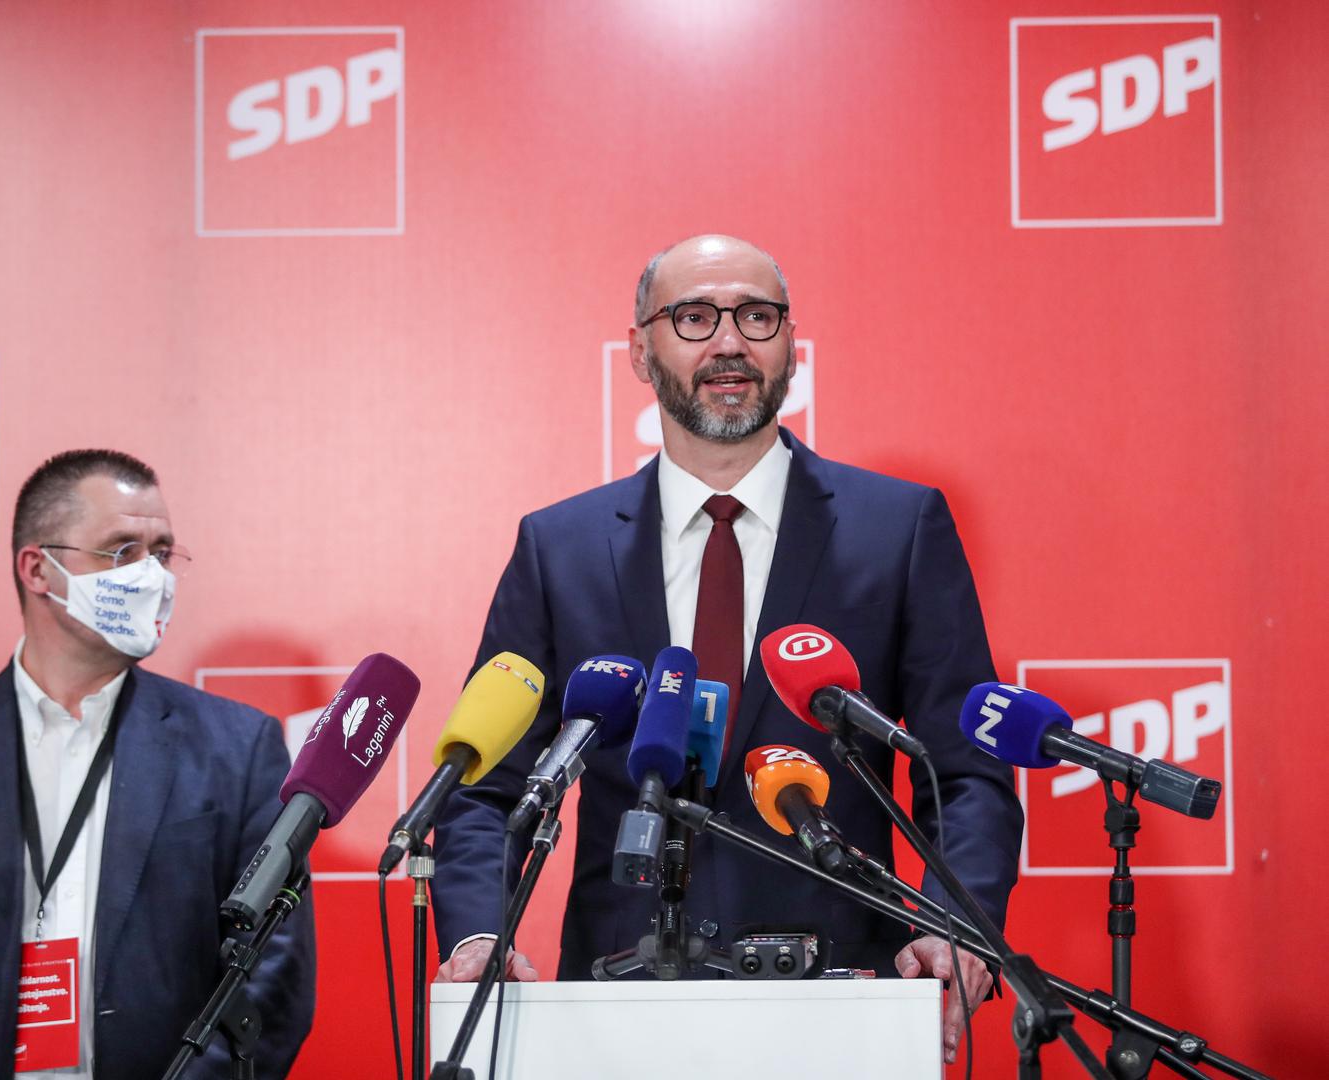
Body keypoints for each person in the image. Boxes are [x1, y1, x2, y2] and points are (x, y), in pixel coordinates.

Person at [429, 235, 1023, 1064]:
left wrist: (956, 927)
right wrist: (475, 935)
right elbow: (484, 788)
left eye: (756, 316)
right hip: (615, 1007)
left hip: (846, 1000)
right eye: (693, 317)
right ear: (639, 350)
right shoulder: (558, 548)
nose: (729, 342)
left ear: (790, 344)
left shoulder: (898, 529)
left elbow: (962, 774)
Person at [0, 449, 315, 1079]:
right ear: (38, 569)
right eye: (122, 550)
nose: (151, 576)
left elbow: (271, 975)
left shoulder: (238, 748)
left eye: (162, 553)